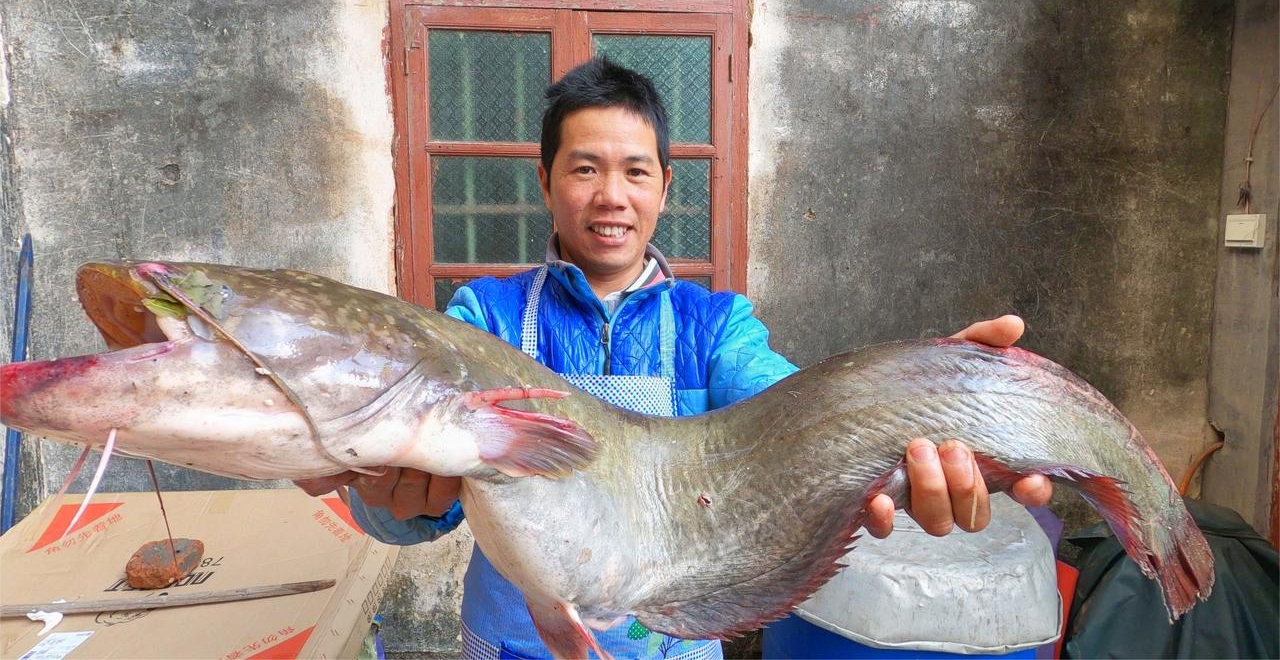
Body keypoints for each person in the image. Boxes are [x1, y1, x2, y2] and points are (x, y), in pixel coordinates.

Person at [297, 57, 1051, 660]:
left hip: (676, 646)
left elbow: (799, 418)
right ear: (546, 182)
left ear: (665, 186)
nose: (611, 195)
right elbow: (407, 511)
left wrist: (916, 400)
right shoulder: (482, 321)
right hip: (516, 643)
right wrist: (390, 501)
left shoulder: (714, 327)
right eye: (584, 169)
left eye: (635, 171)